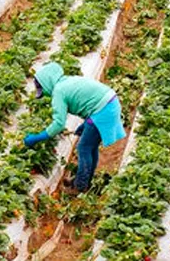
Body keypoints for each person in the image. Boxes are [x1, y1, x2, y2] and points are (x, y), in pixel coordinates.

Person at [24, 62, 126, 192]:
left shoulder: (58, 92)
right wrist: (85, 125)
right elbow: (89, 100)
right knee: (91, 146)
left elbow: (59, 124)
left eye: (42, 90)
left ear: (47, 84)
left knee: (83, 148)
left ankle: (79, 186)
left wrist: (37, 137)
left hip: (102, 111)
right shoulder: (68, 81)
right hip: (110, 103)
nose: (44, 94)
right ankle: (84, 181)